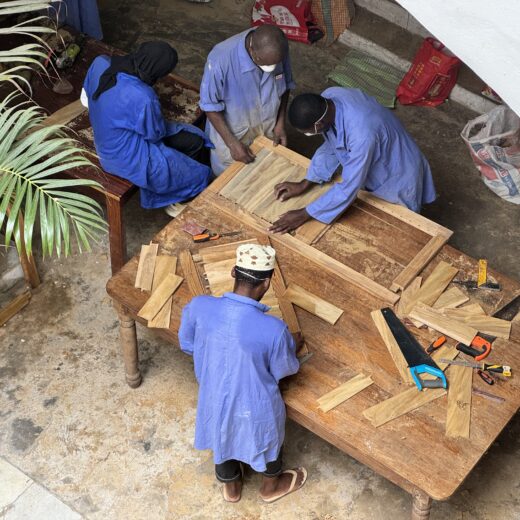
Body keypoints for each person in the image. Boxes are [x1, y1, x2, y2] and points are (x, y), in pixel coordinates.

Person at [178, 244, 307, 503]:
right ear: (267, 283)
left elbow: (187, 343)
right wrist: (290, 345)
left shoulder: (199, 306)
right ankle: (270, 487)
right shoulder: (275, 330)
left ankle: (231, 487)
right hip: (256, 406)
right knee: (267, 436)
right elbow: (284, 369)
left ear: (233, 271)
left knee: (220, 429)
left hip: (213, 396)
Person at [269, 88, 436, 233]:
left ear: (318, 125)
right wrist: (306, 183)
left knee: (401, 225)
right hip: (380, 147)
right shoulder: (331, 97)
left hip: (398, 171)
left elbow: (350, 185)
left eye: (308, 131)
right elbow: (333, 145)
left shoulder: (361, 136)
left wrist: (305, 213)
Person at [82, 41, 213, 216]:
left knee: (193, 140)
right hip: (121, 157)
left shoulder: (101, 62)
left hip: (106, 134)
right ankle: (177, 202)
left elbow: (86, 98)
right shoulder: (143, 96)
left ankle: (176, 185)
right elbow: (154, 134)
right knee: (200, 175)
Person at [200, 25, 295, 175]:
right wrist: (232, 144)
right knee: (229, 180)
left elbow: (285, 85)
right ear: (252, 51)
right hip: (233, 135)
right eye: (265, 63)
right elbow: (209, 106)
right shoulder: (220, 60)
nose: (272, 67)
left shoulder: (277, 49)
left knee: (263, 174)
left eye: (275, 64)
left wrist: (280, 122)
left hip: (267, 127)